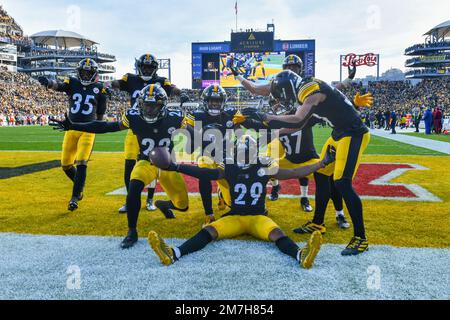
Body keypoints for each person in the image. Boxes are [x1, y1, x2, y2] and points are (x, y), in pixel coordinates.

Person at [234, 70, 372, 256]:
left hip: (353, 133)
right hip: (339, 132)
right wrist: (262, 121)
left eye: (280, 96)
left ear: (286, 89)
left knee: (342, 183)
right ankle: (317, 222)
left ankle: (361, 238)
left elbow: (298, 119)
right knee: (322, 172)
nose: (282, 100)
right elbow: (298, 125)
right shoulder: (307, 88)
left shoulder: (308, 89)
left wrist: (265, 117)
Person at [147, 136, 337, 269]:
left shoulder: (263, 167)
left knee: (277, 234)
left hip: (257, 218)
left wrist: (321, 164)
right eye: (242, 152)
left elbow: (296, 172)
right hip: (235, 217)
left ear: (255, 152)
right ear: (236, 152)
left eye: (248, 152)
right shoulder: (231, 167)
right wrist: (175, 166)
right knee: (209, 231)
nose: (245, 156)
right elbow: (205, 173)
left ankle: (300, 255)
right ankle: (174, 253)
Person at [50, 84, 189, 249]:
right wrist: (73, 125)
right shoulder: (134, 116)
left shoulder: (176, 118)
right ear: (140, 104)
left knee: (183, 206)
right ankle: (132, 231)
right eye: (146, 105)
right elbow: (106, 127)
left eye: (154, 105)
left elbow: (195, 133)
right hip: (146, 161)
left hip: (169, 164)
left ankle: (164, 204)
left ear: (163, 105)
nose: (150, 109)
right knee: (134, 186)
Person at [106, 54, 189, 213]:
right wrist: (107, 86)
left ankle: (150, 199)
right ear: (139, 66)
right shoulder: (131, 79)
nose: (146, 69)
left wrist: (180, 93)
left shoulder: (161, 81)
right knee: (130, 163)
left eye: (150, 67)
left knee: (155, 161)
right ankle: (130, 199)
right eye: (144, 67)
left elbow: (173, 88)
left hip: (154, 125)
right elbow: (115, 83)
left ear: (155, 69)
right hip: (137, 126)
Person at [38, 58, 108, 211]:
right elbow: (58, 86)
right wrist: (48, 82)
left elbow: (101, 115)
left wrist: (97, 127)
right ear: (78, 72)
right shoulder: (72, 82)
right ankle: (79, 188)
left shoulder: (100, 89)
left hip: (88, 130)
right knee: (66, 165)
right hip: (71, 129)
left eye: (88, 72)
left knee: (82, 162)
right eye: (83, 71)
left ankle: (74, 197)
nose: (85, 74)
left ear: (94, 73)